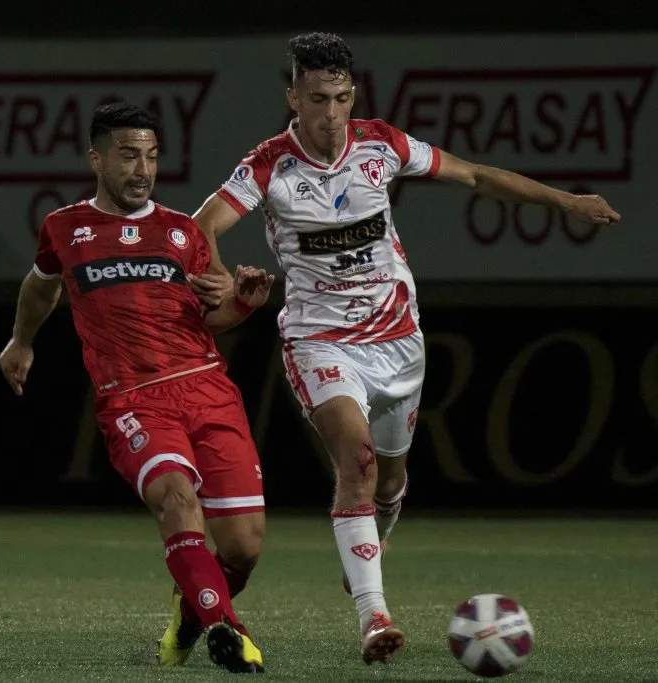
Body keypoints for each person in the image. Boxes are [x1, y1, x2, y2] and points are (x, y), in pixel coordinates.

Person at [190, 32, 621, 664]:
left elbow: (475, 175)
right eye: (317, 99)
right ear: (293, 98)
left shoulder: (382, 144)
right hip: (319, 341)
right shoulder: (270, 166)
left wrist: (567, 201)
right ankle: (374, 616)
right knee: (357, 463)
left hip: (398, 341)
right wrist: (222, 281)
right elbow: (201, 226)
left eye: (341, 98)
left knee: (389, 479)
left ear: (353, 94)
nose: (331, 113)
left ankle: (375, 534)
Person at [0, 103, 273, 674]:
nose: (142, 170)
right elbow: (41, 287)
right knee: (176, 500)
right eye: (128, 156)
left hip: (207, 389)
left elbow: (213, 315)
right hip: (133, 400)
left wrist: (244, 302)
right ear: (96, 159)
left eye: (150, 156)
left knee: (244, 548)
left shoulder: (183, 233)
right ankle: (225, 628)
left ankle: (189, 617)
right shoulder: (65, 229)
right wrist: (21, 341)